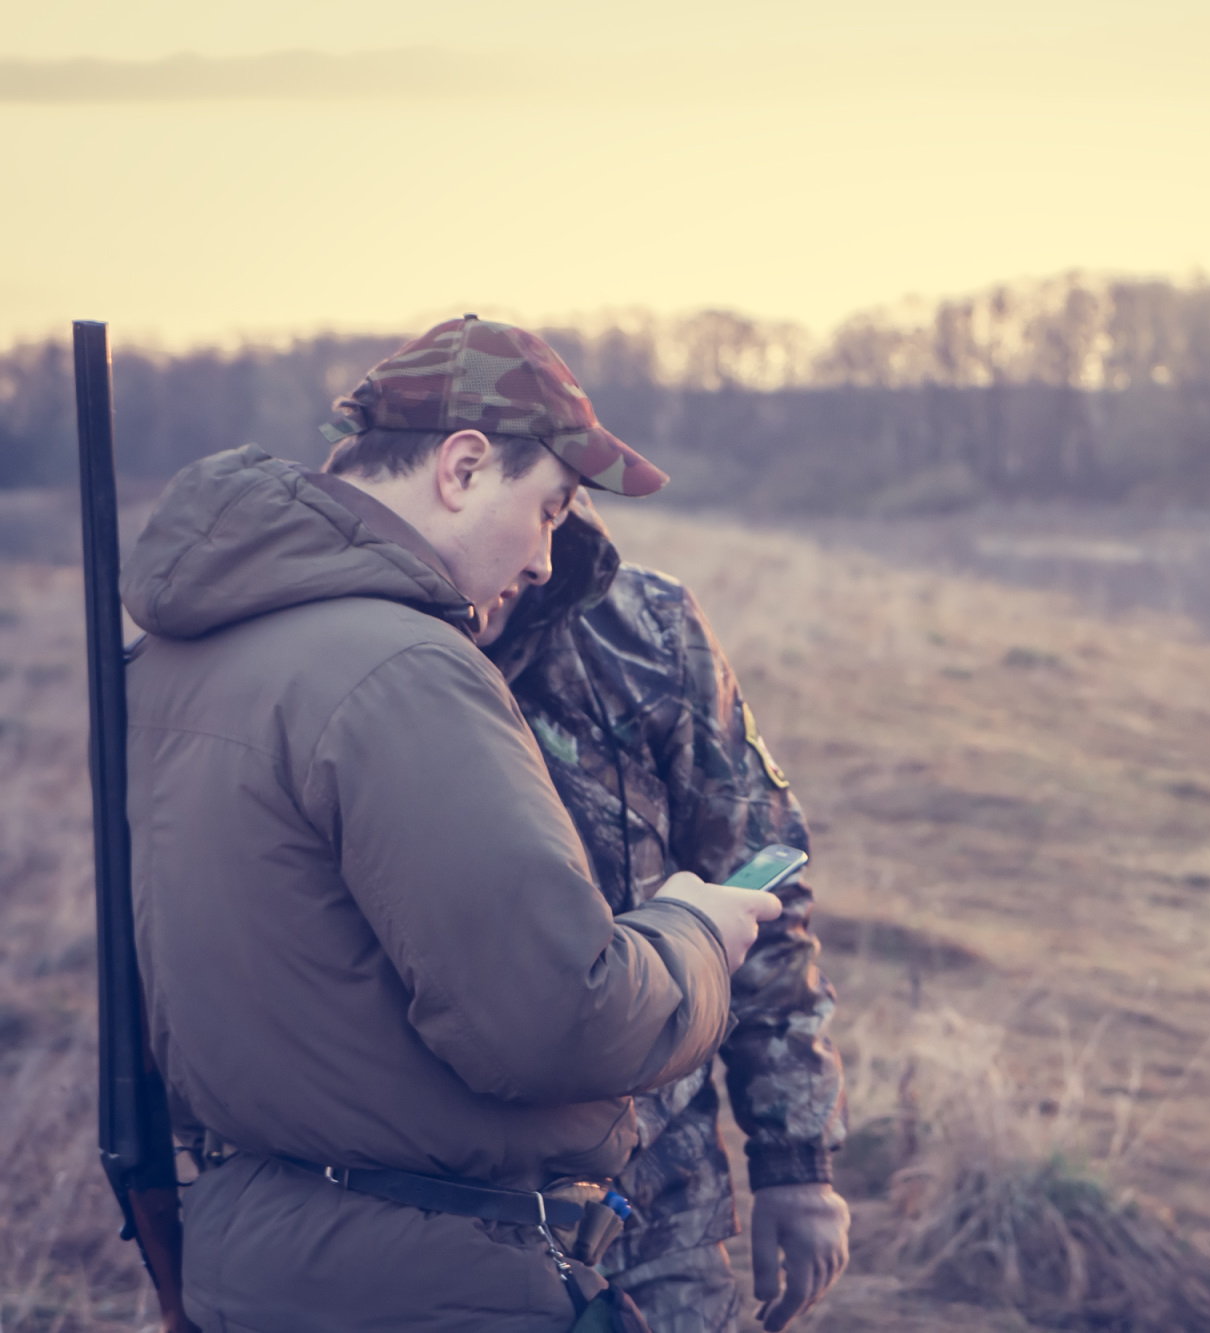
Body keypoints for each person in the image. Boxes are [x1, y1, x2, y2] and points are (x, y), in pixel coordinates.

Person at [121, 315, 781, 1331]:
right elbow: (558, 1021)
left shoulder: (187, 653)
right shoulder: (403, 666)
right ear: (463, 466)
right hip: (426, 1280)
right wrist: (696, 931)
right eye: (549, 508)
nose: (545, 554)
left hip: (264, 1251)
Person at [469, 492, 850, 1333]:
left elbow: (757, 885)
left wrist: (796, 1160)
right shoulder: (346, 653)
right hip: (425, 1217)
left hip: (657, 1208)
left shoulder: (646, 626)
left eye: (545, 500)